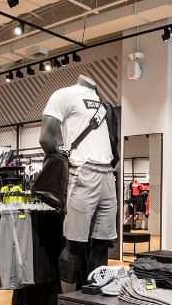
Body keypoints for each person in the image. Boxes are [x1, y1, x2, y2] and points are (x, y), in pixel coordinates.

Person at [39, 75, 120, 293]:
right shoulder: (64, 95)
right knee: (74, 244)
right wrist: (63, 163)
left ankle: (96, 295)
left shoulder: (105, 104)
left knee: (103, 243)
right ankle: (68, 302)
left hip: (107, 175)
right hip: (83, 172)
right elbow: (45, 138)